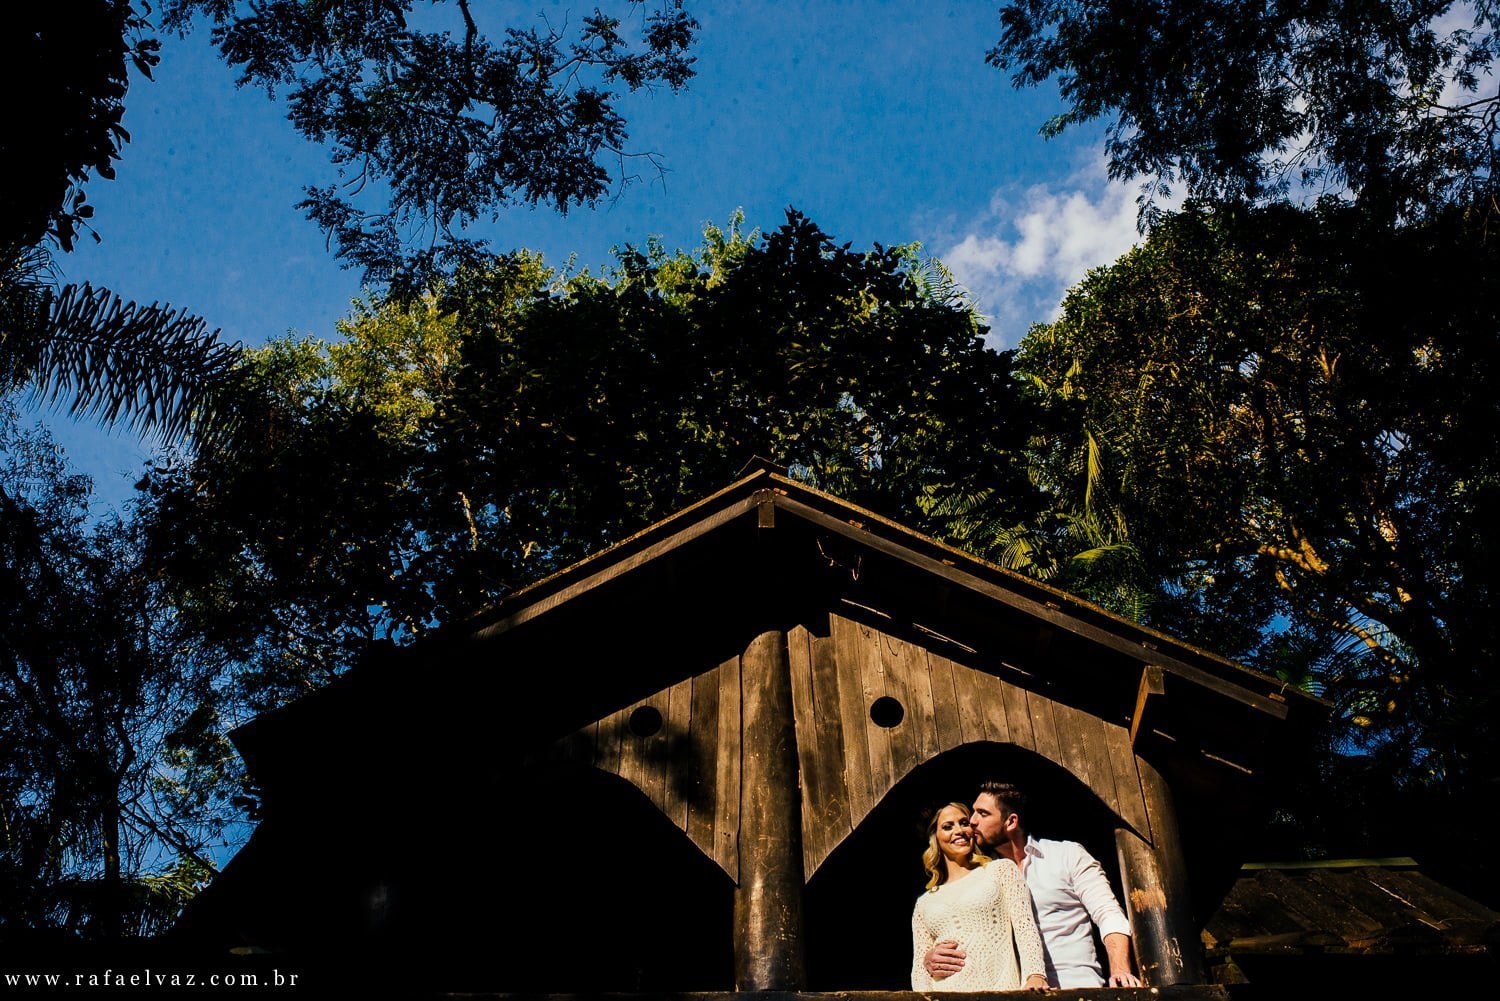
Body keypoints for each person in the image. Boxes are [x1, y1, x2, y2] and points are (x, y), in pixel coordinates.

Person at [923, 781, 1142, 989]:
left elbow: (1108, 914)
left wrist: (1120, 971)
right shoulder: (983, 877)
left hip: (1073, 985)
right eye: (973, 812)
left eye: (983, 813)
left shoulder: (1066, 855)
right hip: (1015, 991)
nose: (972, 821)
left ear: (1011, 822)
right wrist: (930, 958)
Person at [910, 802, 1048, 992]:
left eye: (964, 823)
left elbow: (1025, 927)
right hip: (944, 993)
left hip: (1000, 990)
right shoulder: (924, 903)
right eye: (948, 826)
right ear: (936, 838)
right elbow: (919, 967)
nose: (959, 831)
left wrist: (1035, 975)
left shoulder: (1001, 870)